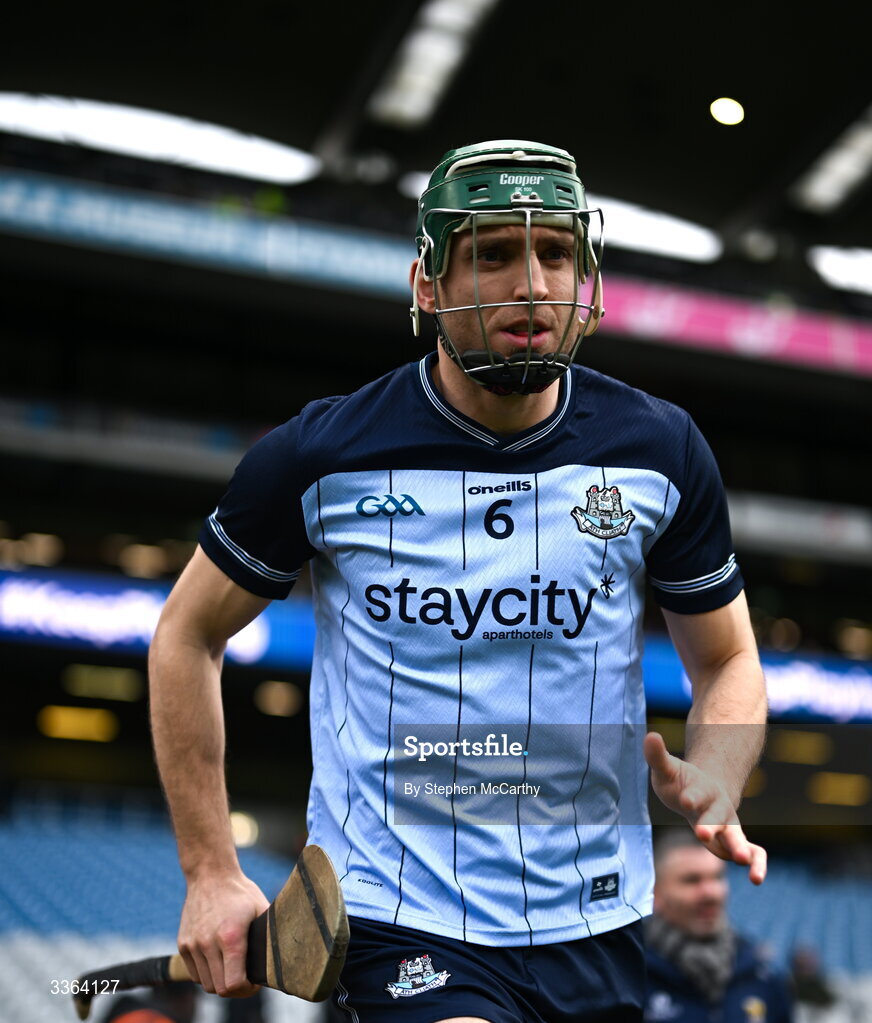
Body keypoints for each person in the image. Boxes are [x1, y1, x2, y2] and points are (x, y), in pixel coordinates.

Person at [149, 140, 769, 1023]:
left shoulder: (660, 449)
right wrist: (210, 870)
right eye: (493, 253)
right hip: (400, 914)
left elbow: (729, 658)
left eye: (555, 252)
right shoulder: (321, 454)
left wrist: (719, 766)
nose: (532, 284)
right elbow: (186, 633)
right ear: (427, 284)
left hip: (598, 915)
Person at [644, 829, 792, 1022]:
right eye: (692, 880)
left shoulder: (762, 973)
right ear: (655, 892)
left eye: (717, 877)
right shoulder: (630, 973)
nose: (711, 893)